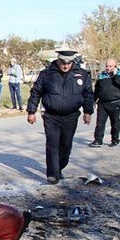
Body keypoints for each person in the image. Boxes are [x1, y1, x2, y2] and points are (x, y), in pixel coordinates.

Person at [26, 50, 94, 184]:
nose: (66, 66)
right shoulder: (47, 74)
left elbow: (88, 94)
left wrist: (88, 112)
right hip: (51, 116)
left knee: (66, 145)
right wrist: (31, 111)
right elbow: (36, 92)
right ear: (58, 60)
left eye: (69, 63)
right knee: (52, 145)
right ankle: (53, 174)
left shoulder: (81, 74)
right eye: (63, 63)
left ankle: (59, 168)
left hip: (71, 116)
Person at [90, 59, 120, 148]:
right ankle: (98, 140)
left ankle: (115, 140)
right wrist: (94, 101)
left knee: (115, 123)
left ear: (115, 66)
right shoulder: (102, 76)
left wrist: (115, 75)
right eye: (107, 66)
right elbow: (97, 90)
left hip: (115, 103)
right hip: (102, 104)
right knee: (100, 123)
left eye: (110, 66)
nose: (108, 68)